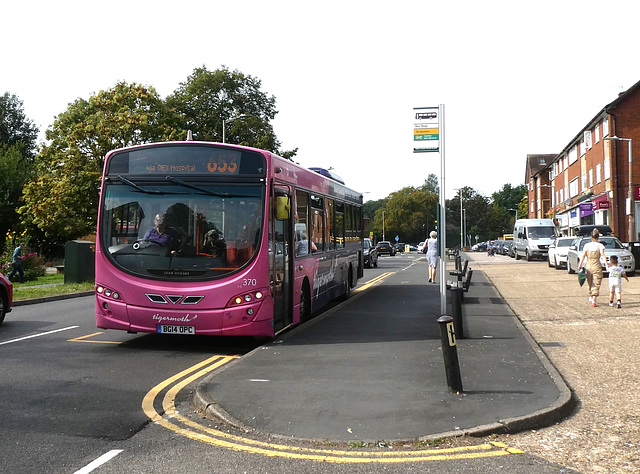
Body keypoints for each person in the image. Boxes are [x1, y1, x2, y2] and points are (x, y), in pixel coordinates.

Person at [577, 228, 606, 307]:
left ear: (591, 237)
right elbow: (603, 255)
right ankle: (594, 299)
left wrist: (580, 265)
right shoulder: (600, 245)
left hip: (588, 264)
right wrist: (606, 264)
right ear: (598, 237)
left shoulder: (587, 245)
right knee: (597, 281)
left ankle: (591, 295)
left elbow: (583, 256)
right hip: (597, 264)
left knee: (589, 281)